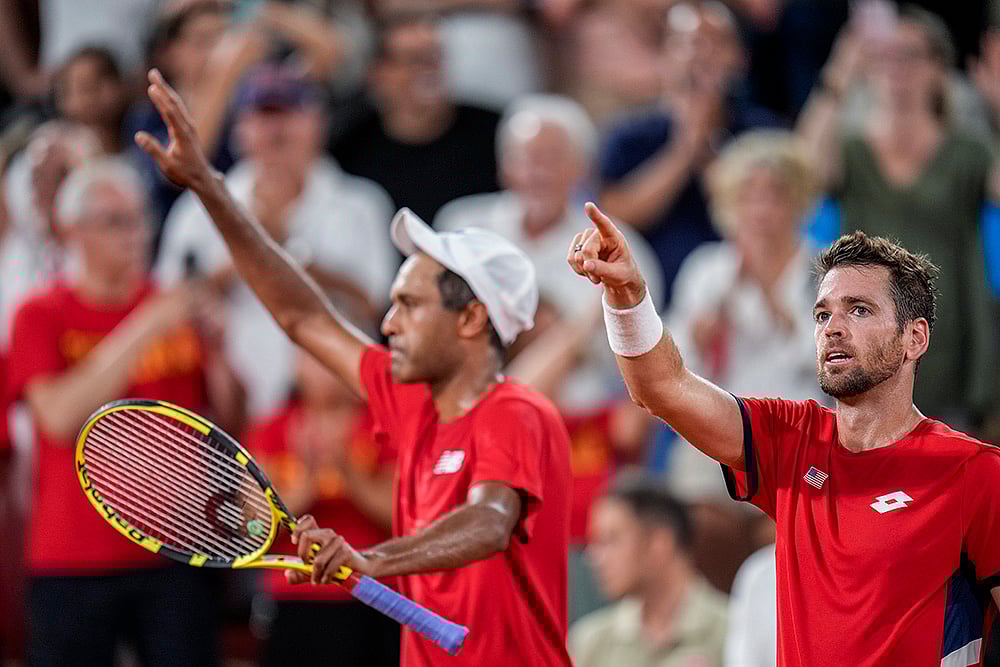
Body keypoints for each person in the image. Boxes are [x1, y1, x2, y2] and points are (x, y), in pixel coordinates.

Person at [136, 68, 573, 667]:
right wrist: (209, 187)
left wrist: (376, 560)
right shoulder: (408, 398)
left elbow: (490, 521)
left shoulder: (516, 411)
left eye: (410, 306)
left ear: (472, 320)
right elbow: (302, 317)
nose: (388, 323)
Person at [567, 202, 1000, 666]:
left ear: (915, 339)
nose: (833, 327)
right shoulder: (791, 438)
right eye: (821, 314)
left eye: (859, 310)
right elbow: (661, 388)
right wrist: (627, 294)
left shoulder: (973, 473)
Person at [5, 158, 244, 666]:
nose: (135, 234)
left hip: (178, 546)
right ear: (72, 231)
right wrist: (145, 325)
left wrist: (220, 353)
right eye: (115, 221)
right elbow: (57, 417)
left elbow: (227, 422)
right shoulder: (41, 313)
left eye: (139, 218)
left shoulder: (174, 307)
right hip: (72, 556)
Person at [797, 5, 1000, 429]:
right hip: (864, 342)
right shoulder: (851, 151)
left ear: (938, 67)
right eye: (883, 56)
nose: (895, 69)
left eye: (909, 56)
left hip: (949, 343)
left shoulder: (968, 151)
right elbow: (803, 175)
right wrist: (838, 77)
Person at [156, 65, 396, 418]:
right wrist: (245, 256)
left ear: (319, 123)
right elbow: (165, 307)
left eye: (290, 113)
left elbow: (378, 307)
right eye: (264, 115)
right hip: (227, 417)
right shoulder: (198, 206)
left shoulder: (360, 203)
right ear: (240, 129)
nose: (277, 129)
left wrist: (284, 250)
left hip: (336, 415)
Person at [598, 0, 783, 309]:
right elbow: (615, 216)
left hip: (748, 303)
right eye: (687, 42)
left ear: (740, 58)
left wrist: (706, 145)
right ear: (665, 55)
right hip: (648, 300)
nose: (701, 53)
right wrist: (684, 149)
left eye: (715, 42)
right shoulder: (629, 135)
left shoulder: (763, 133)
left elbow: (769, 214)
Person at [246, 349, 399, 667]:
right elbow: (252, 527)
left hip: (375, 594)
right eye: (310, 357)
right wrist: (308, 482)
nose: (323, 367)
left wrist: (348, 472)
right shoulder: (271, 429)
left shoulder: (385, 426)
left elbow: (403, 517)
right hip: (295, 594)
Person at [331, 12, 501, 223]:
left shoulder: (492, 134)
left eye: (435, 57)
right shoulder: (349, 146)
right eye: (415, 60)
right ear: (378, 74)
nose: (428, 70)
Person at [569, 474, 728, 667]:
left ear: (659, 543)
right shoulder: (590, 642)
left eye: (611, 540)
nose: (593, 557)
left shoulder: (731, 630)